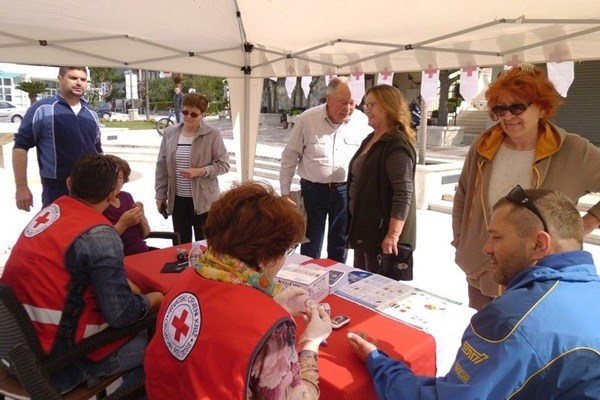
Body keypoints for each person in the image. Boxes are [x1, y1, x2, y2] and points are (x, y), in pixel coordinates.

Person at [348, 187, 600, 399]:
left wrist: (378, 362)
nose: (487, 248)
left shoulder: (512, 322)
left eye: (496, 237)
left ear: (539, 244)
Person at [144, 182, 332, 399]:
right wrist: (311, 343)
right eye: (286, 250)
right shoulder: (271, 328)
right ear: (263, 258)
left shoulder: (189, 275)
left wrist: (275, 301)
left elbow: (219, 329)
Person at [0, 154, 164, 394]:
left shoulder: (51, 213)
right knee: (165, 344)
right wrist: (156, 298)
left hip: (16, 349)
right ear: (112, 195)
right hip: (59, 364)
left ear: (69, 183)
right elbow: (123, 315)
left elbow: (67, 275)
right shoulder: (99, 235)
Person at [452, 63, 600, 310]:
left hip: (542, 276)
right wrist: (461, 240)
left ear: (542, 108)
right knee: (487, 338)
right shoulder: (484, 145)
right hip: (484, 270)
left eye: (517, 107)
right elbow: (463, 194)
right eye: (499, 109)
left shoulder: (574, 150)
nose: (507, 116)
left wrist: (586, 224)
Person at [279, 77, 372, 263]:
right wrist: (285, 192)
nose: (347, 109)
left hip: (345, 191)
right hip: (313, 190)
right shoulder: (307, 119)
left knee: (340, 241)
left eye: (352, 103)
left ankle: (334, 280)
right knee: (311, 241)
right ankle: (307, 279)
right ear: (328, 99)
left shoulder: (362, 122)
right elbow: (290, 156)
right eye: (342, 103)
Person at [347, 85, 417, 280]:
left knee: (375, 289)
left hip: (382, 237)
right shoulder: (372, 138)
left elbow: (403, 193)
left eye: (372, 104)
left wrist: (393, 235)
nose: (365, 109)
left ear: (389, 107)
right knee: (361, 285)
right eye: (365, 104)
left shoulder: (396, 145)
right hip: (366, 232)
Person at [13, 66, 102, 211]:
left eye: (83, 79)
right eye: (73, 78)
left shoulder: (91, 114)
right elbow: (20, 148)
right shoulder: (42, 109)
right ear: (60, 80)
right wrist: (22, 187)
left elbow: (98, 151)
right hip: (56, 192)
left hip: (91, 192)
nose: (79, 83)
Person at [155, 92, 230, 244]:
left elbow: (224, 165)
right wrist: (160, 195)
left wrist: (201, 171)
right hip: (178, 199)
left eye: (194, 114)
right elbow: (162, 166)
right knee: (181, 245)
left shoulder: (212, 134)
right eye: (185, 112)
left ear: (203, 115)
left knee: (206, 245)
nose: (188, 116)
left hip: (204, 201)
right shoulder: (170, 133)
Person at [103, 154, 151, 255]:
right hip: (119, 256)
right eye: (112, 177)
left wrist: (141, 216)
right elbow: (103, 244)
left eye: (120, 177)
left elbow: (145, 234)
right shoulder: (100, 203)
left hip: (142, 251)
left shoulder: (126, 197)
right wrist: (123, 223)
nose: (116, 181)